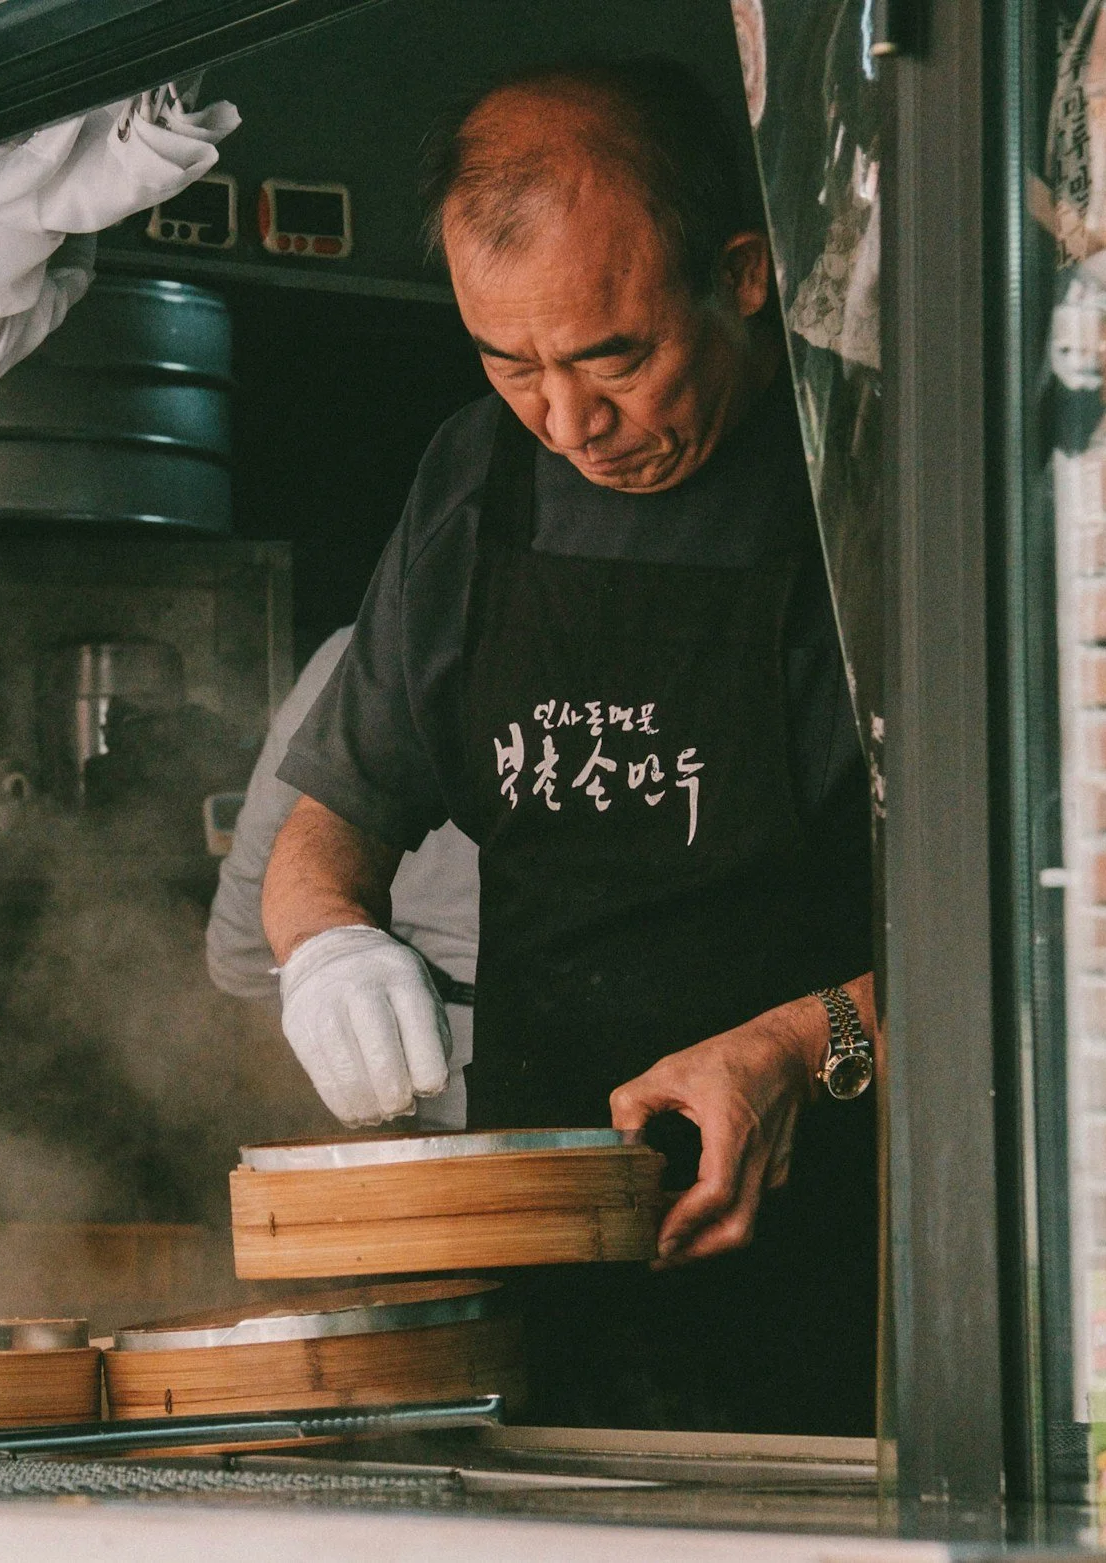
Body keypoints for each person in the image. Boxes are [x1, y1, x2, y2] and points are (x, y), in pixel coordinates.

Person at [260, 59, 878, 1433]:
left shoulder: (882, 471)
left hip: (871, 1286)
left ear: (745, 275)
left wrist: (799, 1042)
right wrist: (326, 946)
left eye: (615, 357)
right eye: (509, 361)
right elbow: (325, 828)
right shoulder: (475, 480)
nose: (567, 420)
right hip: (548, 1286)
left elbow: (1046, 929)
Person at [206, 627, 480, 1127]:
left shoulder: (376, 646)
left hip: (408, 1090)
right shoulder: (375, 649)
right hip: (639, 1091)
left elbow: (241, 949)